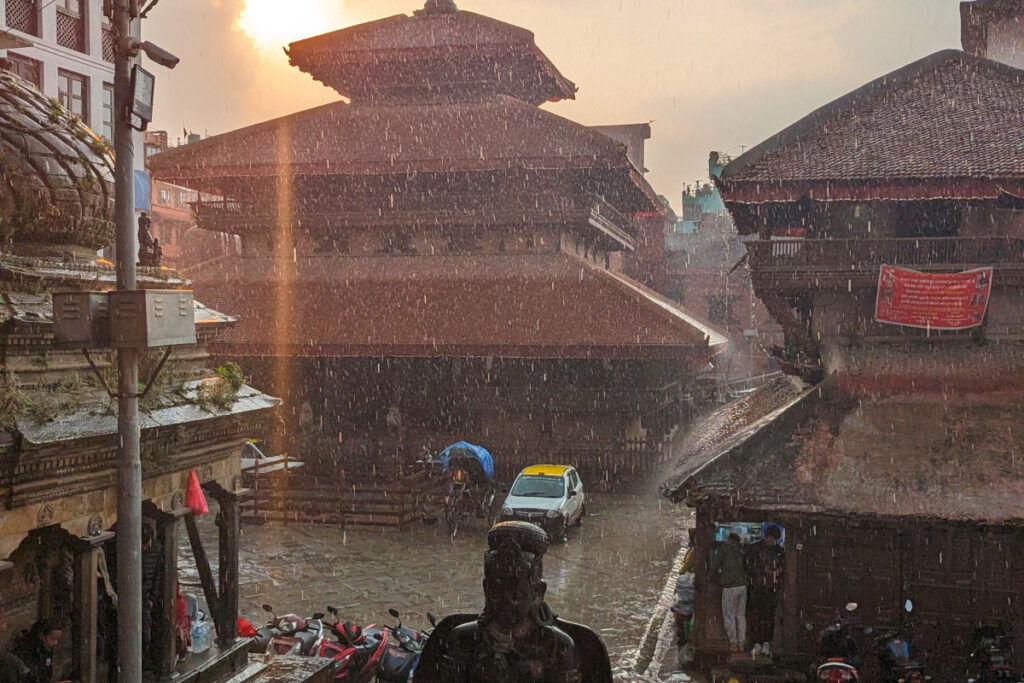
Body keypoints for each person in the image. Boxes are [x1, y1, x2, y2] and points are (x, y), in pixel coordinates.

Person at [746, 525, 784, 658]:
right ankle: (756, 642)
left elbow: (783, 568)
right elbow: (749, 566)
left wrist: (778, 571)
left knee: (769, 616)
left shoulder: (779, 551)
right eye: (770, 538)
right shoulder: (755, 549)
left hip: (771, 589)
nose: (771, 541)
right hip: (757, 588)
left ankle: (766, 642)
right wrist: (762, 571)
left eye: (774, 539)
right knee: (756, 616)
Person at [711, 532, 747, 653]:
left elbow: (714, 566)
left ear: (729, 540)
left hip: (729, 586)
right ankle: (741, 643)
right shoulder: (741, 550)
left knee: (729, 615)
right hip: (742, 586)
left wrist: (711, 577)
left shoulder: (724, 549)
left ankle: (733, 643)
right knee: (740, 615)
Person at [11, 618, 74, 683]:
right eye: (53, 638)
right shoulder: (27, 653)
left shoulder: (47, 651)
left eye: (57, 639)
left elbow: (46, 675)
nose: (55, 643)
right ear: (41, 636)